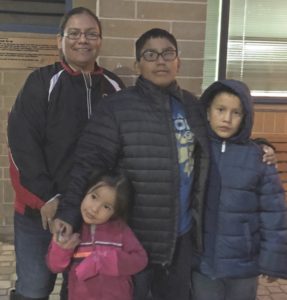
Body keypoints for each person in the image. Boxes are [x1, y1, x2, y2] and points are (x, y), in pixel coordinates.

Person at [53, 28, 276, 300]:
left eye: (167, 53)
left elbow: (225, 138)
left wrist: (262, 146)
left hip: (181, 240)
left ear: (178, 61)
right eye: (150, 54)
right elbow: (88, 164)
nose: (160, 60)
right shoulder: (116, 108)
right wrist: (68, 213)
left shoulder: (193, 107)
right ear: (138, 64)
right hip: (132, 237)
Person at [7, 7, 125, 300]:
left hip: (92, 215)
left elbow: (124, 147)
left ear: (100, 40)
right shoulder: (41, 82)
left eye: (90, 34)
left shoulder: (114, 87)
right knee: (33, 289)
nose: (82, 40)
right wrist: (47, 199)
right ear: (60, 40)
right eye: (74, 33)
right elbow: (22, 145)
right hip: (41, 214)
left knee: (81, 290)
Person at [191, 79, 287, 300]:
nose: (227, 119)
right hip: (203, 263)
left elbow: (273, 213)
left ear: (246, 118)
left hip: (243, 265)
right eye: (220, 110)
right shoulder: (195, 151)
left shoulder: (259, 158)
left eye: (236, 113)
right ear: (207, 112)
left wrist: (273, 260)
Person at [46, 170, 148, 300]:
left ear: (115, 212)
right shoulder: (71, 228)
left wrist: (103, 261)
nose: (94, 209)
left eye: (106, 207)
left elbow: (140, 260)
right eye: (93, 197)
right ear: (85, 192)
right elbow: (54, 266)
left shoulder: (121, 230)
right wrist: (62, 248)